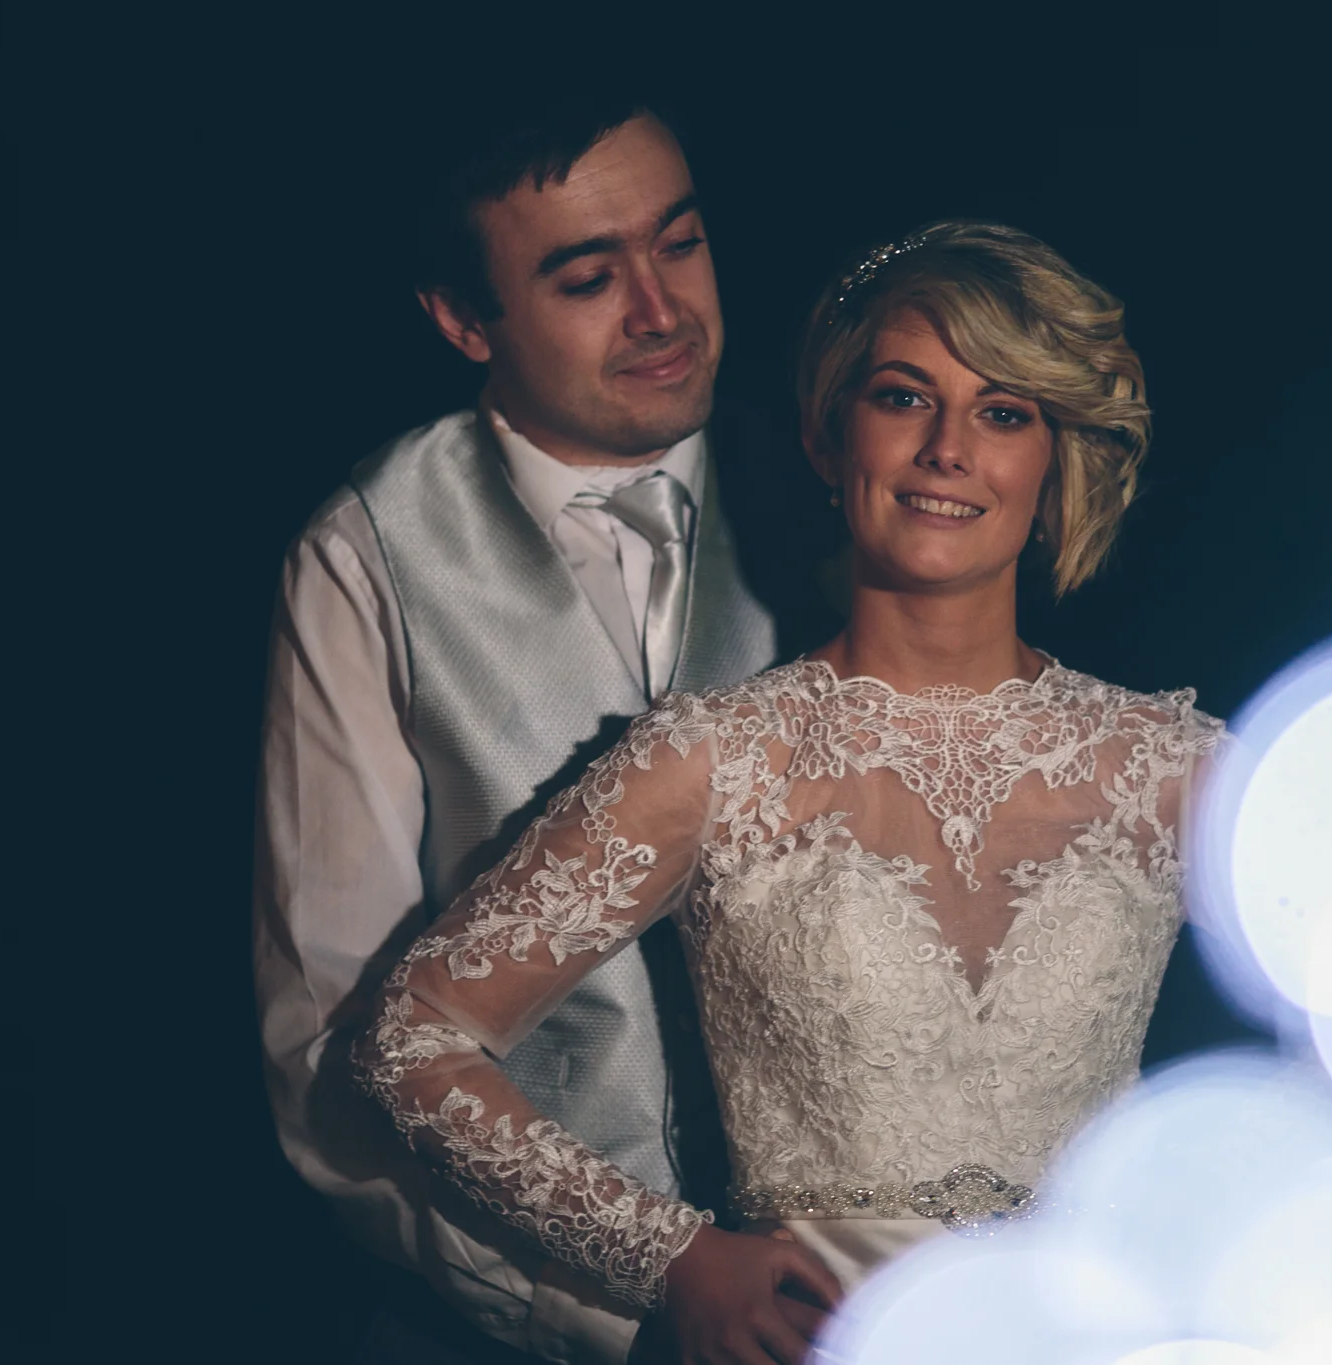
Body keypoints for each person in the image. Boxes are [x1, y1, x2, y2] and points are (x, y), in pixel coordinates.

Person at [356, 221, 1224, 1365]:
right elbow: (415, 1040)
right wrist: (674, 1260)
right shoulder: (714, 763)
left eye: (1004, 412)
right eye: (905, 399)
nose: (948, 450)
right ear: (830, 436)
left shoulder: (1174, 765)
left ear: (1052, 460)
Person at [252, 93, 808, 1363]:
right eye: (585, 278)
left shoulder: (841, 490)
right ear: (461, 321)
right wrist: (605, 1307)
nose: (661, 312)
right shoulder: (366, 555)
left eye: (679, 243)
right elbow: (325, 1057)